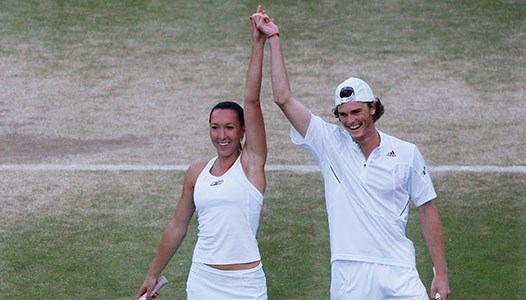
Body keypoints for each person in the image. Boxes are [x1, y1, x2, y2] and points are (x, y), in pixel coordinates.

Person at [250, 9, 451, 300]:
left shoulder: (407, 153)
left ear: (373, 108)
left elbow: (427, 209)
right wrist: (275, 39)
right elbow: (282, 98)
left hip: (399, 270)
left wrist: (440, 273)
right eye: (342, 114)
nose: (350, 120)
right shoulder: (328, 142)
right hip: (349, 273)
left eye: (356, 111)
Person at [135, 7, 271, 300]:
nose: (222, 136)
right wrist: (152, 273)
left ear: (243, 131)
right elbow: (178, 225)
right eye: (215, 128)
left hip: (246, 284)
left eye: (230, 128)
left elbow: (253, 100)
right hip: (203, 280)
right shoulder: (197, 173)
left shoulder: (252, 164)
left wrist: (257, 45)